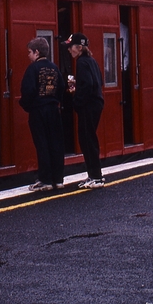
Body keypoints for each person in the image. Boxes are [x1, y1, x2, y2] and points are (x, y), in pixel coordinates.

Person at [19, 37, 65, 191]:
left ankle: (45, 180)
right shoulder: (54, 68)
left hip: (38, 111)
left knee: (42, 144)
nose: (28, 56)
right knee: (55, 144)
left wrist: (27, 106)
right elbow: (62, 87)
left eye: (30, 52)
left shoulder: (33, 69)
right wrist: (55, 101)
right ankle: (58, 179)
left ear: (37, 52)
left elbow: (28, 91)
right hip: (53, 109)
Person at [63, 33, 105, 189]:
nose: (69, 50)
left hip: (89, 105)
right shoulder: (91, 61)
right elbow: (98, 81)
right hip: (96, 103)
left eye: (70, 47)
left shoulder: (81, 62)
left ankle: (96, 176)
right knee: (89, 139)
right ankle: (94, 175)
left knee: (87, 140)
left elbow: (88, 85)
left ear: (79, 48)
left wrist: (76, 101)